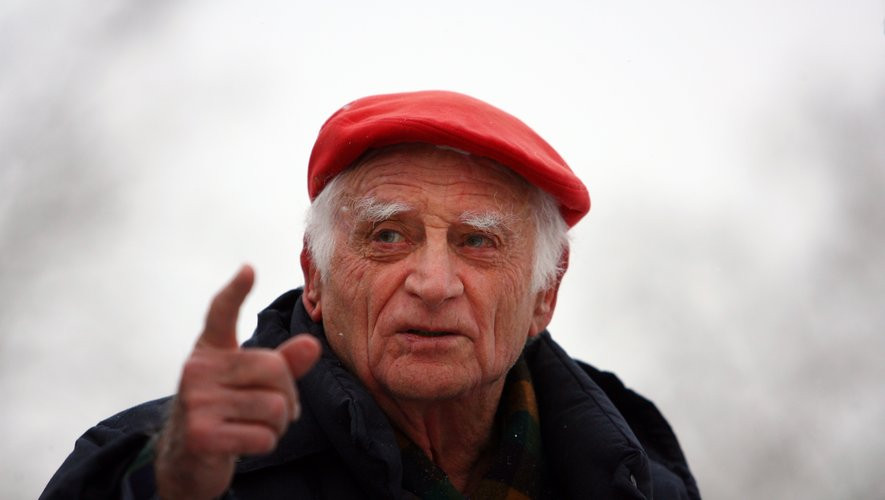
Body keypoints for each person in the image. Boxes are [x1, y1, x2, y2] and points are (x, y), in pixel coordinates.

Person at [41, 90, 699, 499]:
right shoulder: (166, 464)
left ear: (543, 296)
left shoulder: (636, 476)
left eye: (477, 242)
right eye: (387, 236)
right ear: (315, 277)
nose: (433, 284)